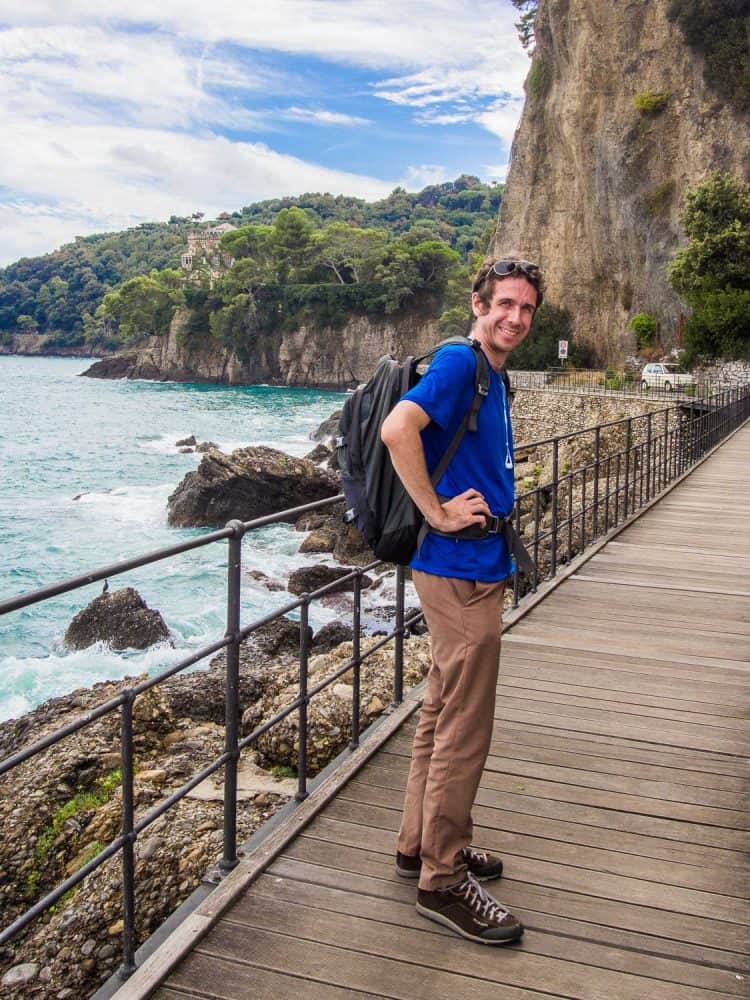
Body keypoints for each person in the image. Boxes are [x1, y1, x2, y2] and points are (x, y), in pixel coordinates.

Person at [380, 257, 543, 945]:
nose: (514, 318)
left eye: (526, 309)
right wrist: (438, 512)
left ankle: (420, 841)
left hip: (473, 564)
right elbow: (397, 430)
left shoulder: (493, 377)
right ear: (478, 304)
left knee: (441, 710)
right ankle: (442, 882)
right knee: (464, 730)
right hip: (458, 567)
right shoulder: (458, 362)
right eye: (503, 304)